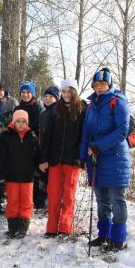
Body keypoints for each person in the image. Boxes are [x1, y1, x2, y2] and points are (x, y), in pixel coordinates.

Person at [79, 68, 131, 252]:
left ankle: (117, 239)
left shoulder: (118, 102)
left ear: (109, 85)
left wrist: (99, 146)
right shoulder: (91, 105)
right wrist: (82, 156)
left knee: (117, 199)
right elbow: (86, 131)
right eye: (96, 85)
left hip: (115, 158)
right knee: (102, 199)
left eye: (102, 84)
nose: (99, 88)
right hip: (96, 158)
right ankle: (104, 235)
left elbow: (122, 131)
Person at [39, 79, 86, 239]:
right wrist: (43, 158)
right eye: (63, 91)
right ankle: (52, 227)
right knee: (53, 194)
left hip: (72, 160)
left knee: (69, 195)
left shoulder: (82, 109)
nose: (66, 94)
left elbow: (84, 136)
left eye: (69, 91)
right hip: (55, 160)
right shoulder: (55, 110)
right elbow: (48, 136)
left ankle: (65, 227)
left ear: (75, 92)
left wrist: (80, 157)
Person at [0, 110, 39, 239]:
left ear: (27, 123)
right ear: (13, 122)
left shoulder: (32, 137)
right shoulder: (6, 136)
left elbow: (37, 155)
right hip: (11, 176)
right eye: (18, 121)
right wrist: (1, 174)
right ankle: (12, 225)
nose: (20, 124)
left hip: (27, 176)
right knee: (13, 200)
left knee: (26, 201)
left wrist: (40, 168)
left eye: (23, 122)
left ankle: (23, 225)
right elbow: (1, 156)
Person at [36, 85, 60, 210]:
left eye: (51, 96)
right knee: (45, 177)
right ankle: (46, 201)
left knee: (53, 179)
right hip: (43, 147)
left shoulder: (57, 111)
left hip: (54, 150)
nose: (47, 99)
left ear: (56, 98)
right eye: (45, 96)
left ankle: (53, 202)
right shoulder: (43, 113)